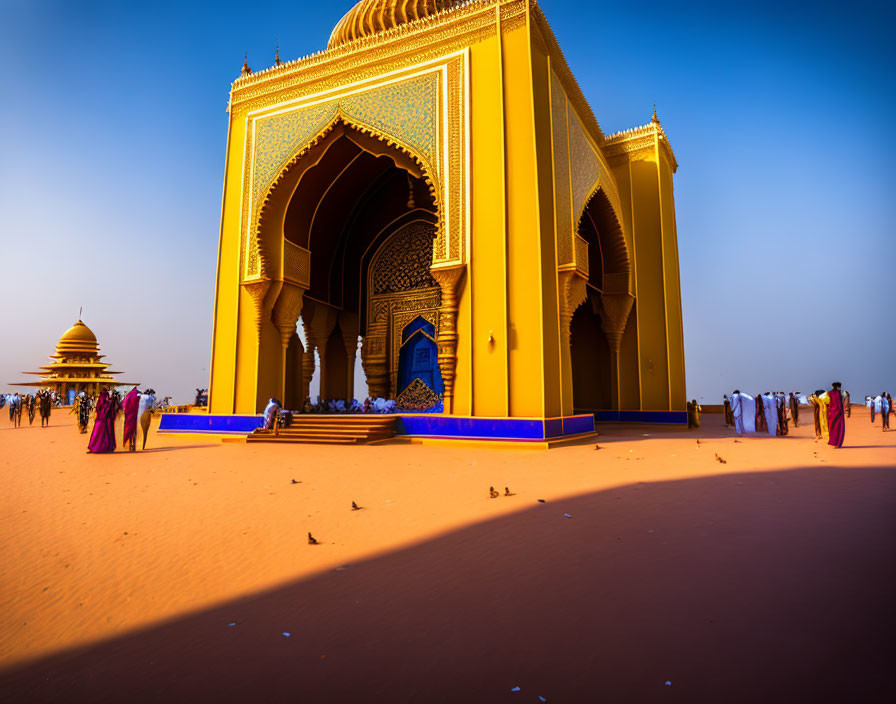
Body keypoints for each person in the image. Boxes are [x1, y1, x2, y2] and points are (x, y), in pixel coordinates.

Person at [88, 388, 120, 453]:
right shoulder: (108, 402)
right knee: (105, 434)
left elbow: (99, 409)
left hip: (101, 420)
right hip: (105, 420)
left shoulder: (103, 400)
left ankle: (96, 447)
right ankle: (104, 447)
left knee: (98, 434)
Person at [121, 387, 140, 452]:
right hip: (134, 415)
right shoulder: (137, 396)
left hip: (128, 416)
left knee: (127, 429)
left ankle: (128, 444)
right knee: (134, 431)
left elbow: (124, 405)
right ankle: (133, 446)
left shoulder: (128, 396)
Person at [827, 382, 846, 448]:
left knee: (833, 428)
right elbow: (842, 402)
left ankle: (833, 442)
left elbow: (827, 402)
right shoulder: (840, 393)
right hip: (839, 413)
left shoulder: (829, 393)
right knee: (839, 429)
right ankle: (838, 443)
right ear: (838, 387)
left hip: (832, 413)